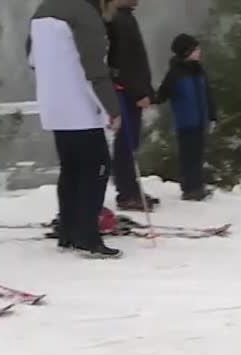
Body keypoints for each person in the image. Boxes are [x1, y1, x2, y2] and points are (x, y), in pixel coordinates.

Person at [28, 0, 123, 258]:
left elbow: (32, 59)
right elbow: (94, 69)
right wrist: (112, 109)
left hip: (54, 106)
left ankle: (68, 232)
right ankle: (88, 237)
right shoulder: (85, 15)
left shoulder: (43, 11)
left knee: (71, 170)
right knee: (96, 169)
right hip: (81, 108)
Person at [105, 0, 157, 212]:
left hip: (128, 88)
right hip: (125, 90)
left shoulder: (125, 17)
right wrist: (139, 92)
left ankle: (130, 189)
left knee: (130, 140)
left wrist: (147, 90)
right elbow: (126, 61)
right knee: (126, 140)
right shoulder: (118, 20)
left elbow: (137, 60)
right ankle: (126, 193)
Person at [155, 33, 217, 201]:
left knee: (198, 154)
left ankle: (197, 186)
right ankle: (189, 188)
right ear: (186, 52)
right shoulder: (175, 73)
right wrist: (148, 97)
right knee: (188, 155)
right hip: (185, 122)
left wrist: (212, 116)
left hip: (200, 121)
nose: (199, 52)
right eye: (195, 49)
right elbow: (162, 94)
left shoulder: (199, 71)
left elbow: (207, 94)